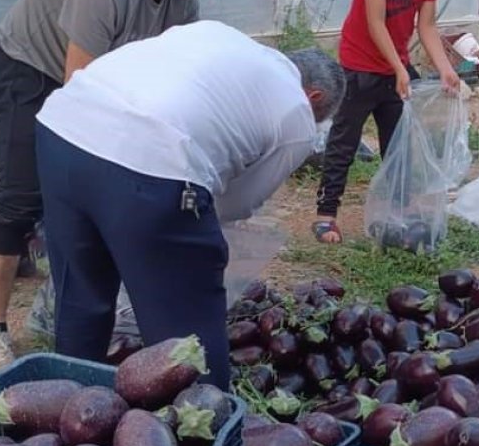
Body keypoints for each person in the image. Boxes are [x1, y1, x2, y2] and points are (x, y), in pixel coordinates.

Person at [0, 0, 249, 374]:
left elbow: (169, 81)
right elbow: (78, 89)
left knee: (93, 193)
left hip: (97, 78)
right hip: (34, 67)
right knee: (21, 195)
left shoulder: (182, 1)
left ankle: (61, 303)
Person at [32, 20, 346, 390]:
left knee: (82, 297)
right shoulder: (297, 114)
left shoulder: (223, 36)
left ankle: (71, 407)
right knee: (186, 335)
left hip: (62, 130)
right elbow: (239, 200)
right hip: (151, 161)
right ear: (314, 97)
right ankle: (201, 429)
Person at [311, 0, 463, 244]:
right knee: (344, 142)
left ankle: (399, 211)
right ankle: (326, 215)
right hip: (359, 66)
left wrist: (446, 68)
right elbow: (375, 22)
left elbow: (427, 26)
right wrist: (398, 68)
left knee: (399, 141)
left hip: (397, 70)